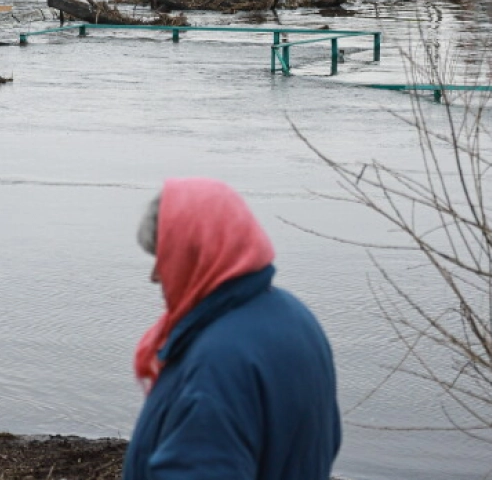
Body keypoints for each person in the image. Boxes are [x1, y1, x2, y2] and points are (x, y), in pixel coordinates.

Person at [123, 178, 341, 480]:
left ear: (194, 253)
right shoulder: (297, 319)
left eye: (164, 258)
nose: (155, 276)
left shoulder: (217, 363)